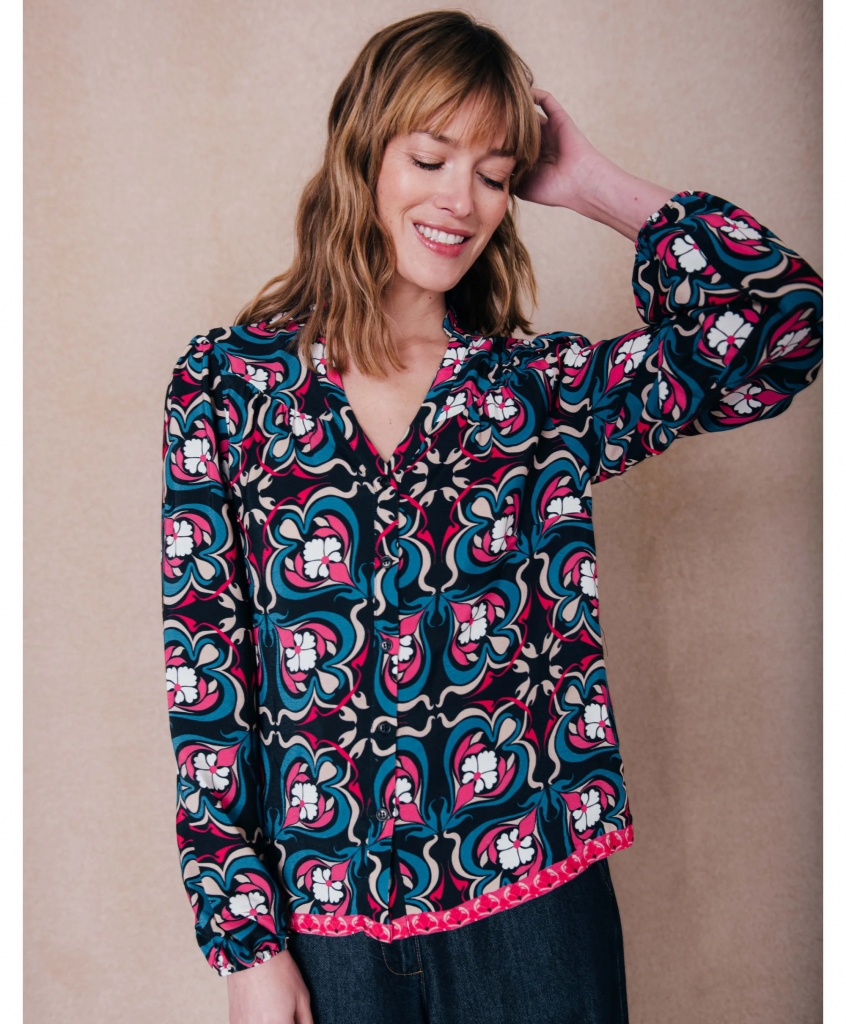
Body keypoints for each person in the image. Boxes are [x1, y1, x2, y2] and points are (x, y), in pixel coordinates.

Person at [160, 10, 822, 1024]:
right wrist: (245, 942)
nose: (459, 201)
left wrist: (591, 183)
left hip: (536, 915)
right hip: (326, 930)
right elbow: (206, 679)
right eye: (431, 159)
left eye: (495, 174)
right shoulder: (226, 389)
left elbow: (783, 323)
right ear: (363, 152)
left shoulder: (537, 395)